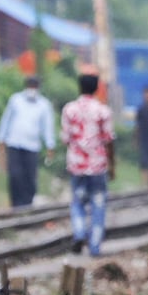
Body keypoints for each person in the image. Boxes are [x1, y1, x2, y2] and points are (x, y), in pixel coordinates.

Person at [61, 74, 116, 256]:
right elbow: (109, 140)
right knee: (98, 204)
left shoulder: (69, 109)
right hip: (98, 165)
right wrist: (112, 165)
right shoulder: (103, 111)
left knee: (77, 202)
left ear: (79, 87)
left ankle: (79, 233)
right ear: (96, 89)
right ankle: (94, 245)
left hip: (76, 165)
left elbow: (66, 139)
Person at [0, 76, 56, 208]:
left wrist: (50, 145)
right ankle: (16, 204)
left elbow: (47, 126)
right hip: (14, 143)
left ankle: (27, 204)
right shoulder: (16, 100)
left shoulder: (43, 104)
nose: (32, 89)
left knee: (30, 176)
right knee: (15, 175)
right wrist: (1, 139)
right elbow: (6, 120)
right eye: (30, 86)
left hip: (32, 146)